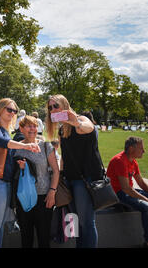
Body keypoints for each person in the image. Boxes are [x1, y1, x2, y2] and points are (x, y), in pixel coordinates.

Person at [0, 98, 41, 248]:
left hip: (4, 181)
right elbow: (1, 142)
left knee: (0, 224)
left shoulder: (6, 131)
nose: (12, 113)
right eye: (9, 109)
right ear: (0, 109)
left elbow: (10, 154)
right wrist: (25, 146)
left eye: (14, 110)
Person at [45, 94, 102, 248]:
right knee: (76, 221)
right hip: (70, 179)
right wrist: (61, 177)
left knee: (87, 222)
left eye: (55, 106)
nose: (52, 109)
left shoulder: (82, 120)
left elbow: (88, 128)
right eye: (50, 107)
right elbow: (64, 156)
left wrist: (75, 121)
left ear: (64, 105)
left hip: (85, 180)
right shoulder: (63, 129)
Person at [12, 116, 60, 248]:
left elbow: (56, 171)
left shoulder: (45, 146)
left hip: (44, 198)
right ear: (21, 128)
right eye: (28, 126)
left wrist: (52, 192)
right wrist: (20, 168)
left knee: (44, 239)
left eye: (34, 126)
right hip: (24, 199)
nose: (32, 129)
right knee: (26, 239)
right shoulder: (17, 148)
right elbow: (12, 175)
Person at [106, 136, 148, 248]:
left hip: (127, 191)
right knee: (146, 207)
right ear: (131, 149)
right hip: (116, 194)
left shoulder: (133, 162)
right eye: (141, 148)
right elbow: (125, 188)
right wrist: (145, 199)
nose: (144, 151)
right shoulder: (120, 161)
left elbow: (141, 184)